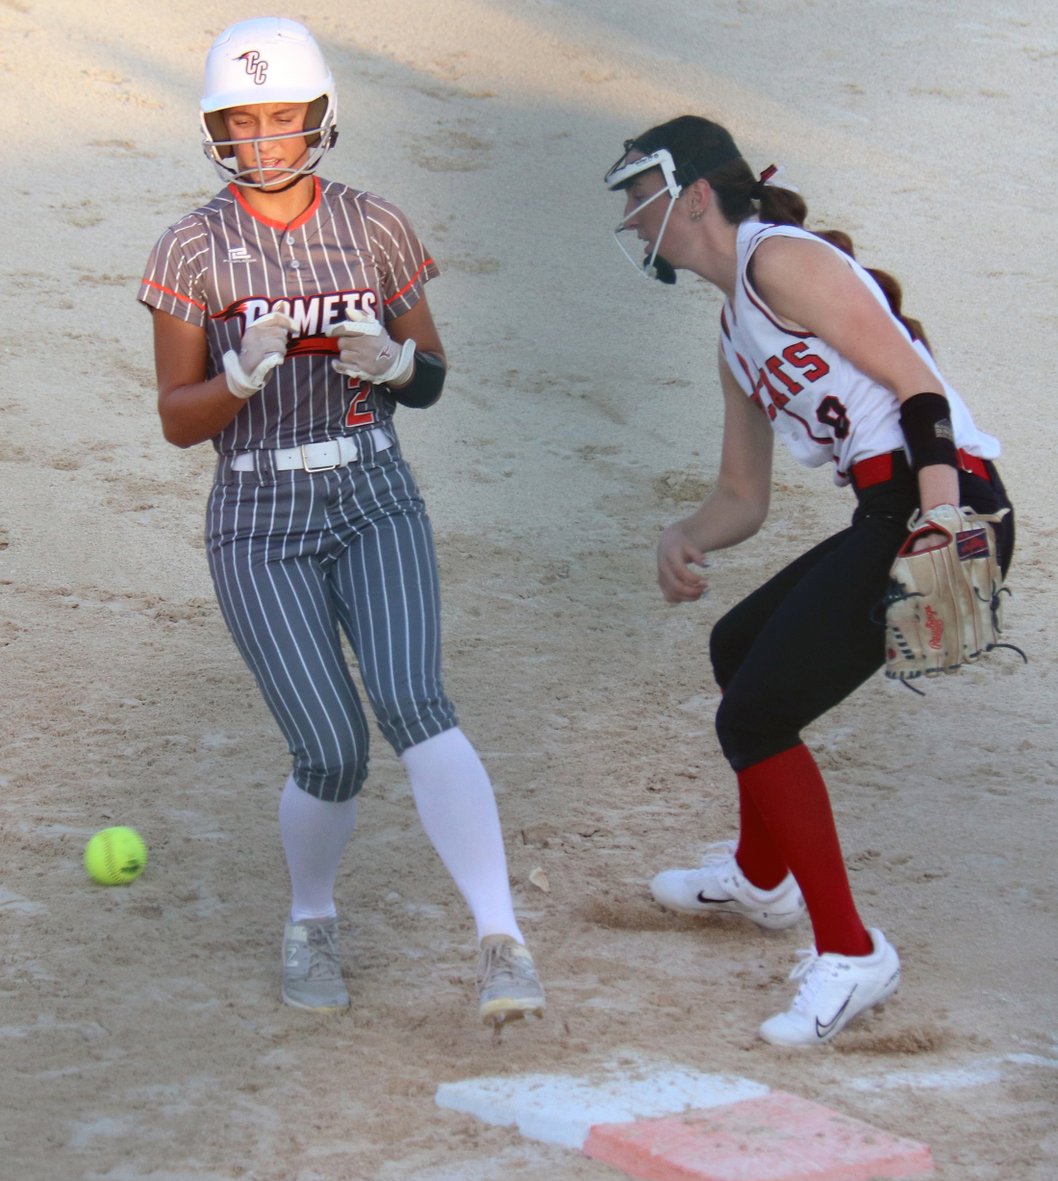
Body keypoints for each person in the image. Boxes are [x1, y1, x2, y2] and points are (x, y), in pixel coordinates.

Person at [137, 17, 544, 1026]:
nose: (264, 138)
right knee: (328, 748)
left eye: (281, 117)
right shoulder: (191, 247)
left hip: (372, 490)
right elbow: (178, 421)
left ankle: (502, 938)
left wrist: (395, 365)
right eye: (243, 120)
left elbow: (434, 377)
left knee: (416, 701)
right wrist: (236, 376)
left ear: (317, 117)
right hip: (258, 512)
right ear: (215, 128)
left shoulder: (374, 226)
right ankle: (310, 916)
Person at [604, 115, 1014, 1046]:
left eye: (640, 194)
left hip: (941, 498)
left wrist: (943, 516)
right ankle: (760, 879)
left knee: (752, 717)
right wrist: (684, 533)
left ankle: (853, 949)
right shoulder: (733, 332)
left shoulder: (777, 260)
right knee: (736, 648)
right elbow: (743, 498)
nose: (631, 218)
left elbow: (919, 386)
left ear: (695, 193)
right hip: (887, 512)